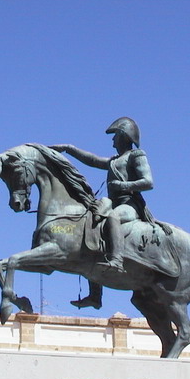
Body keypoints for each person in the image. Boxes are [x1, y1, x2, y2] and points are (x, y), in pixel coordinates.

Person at [51, 117, 155, 309]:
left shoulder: (137, 155)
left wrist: (124, 185)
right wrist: (69, 148)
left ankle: (116, 260)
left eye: (115, 135)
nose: (112, 140)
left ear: (124, 136)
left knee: (112, 217)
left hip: (129, 205)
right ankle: (95, 295)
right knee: (89, 227)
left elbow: (148, 181)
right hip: (113, 203)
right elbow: (92, 160)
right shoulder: (114, 161)